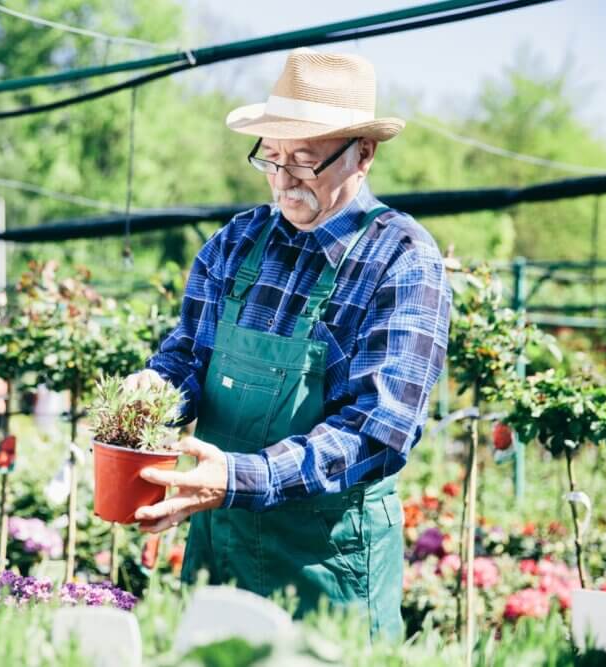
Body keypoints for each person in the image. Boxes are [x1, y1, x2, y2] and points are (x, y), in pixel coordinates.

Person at [125, 49, 452, 636]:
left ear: (364, 152)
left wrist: (241, 477)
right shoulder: (237, 242)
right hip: (219, 550)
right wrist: (152, 394)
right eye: (271, 159)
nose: (282, 180)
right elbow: (188, 356)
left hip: (327, 568)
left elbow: (380, 429)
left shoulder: (400, 260)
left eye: (304, 161)